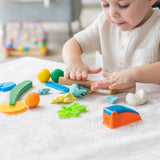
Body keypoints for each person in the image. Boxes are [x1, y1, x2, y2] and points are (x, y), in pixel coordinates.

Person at [62, 0, 160, 91]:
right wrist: (73, 61)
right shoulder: (104, 22)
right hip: (105, 98)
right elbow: (73, 43)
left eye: (123, 5)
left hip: (148, 101)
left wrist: (134, 74)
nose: (112, 14)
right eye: (106, 4)